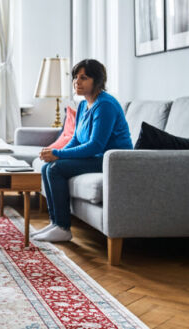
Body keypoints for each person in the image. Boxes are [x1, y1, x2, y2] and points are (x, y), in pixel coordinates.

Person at [32, 59, 132, 243]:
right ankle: (56, 223)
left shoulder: (105, 105)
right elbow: (76, 139)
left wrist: (59, 155)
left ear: (97, 80)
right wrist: (55, 152)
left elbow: (96, 145)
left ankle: (63, 228)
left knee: (56, 169)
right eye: (75, 77)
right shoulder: (83, 105)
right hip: (95, 157)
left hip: (111, 160)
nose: (77, 82)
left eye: (83, 78)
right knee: (49, 166)